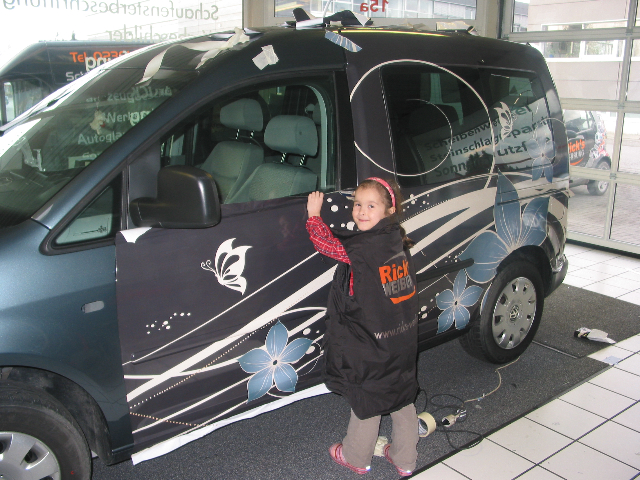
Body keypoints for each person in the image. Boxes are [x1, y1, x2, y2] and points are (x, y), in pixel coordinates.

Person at [306, 177, 420, 477]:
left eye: (371, 206)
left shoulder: (364, 247)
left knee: (368, 394)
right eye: (358, 204)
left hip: (372, 341)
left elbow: (327, 245)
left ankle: (356, 456)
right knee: (401, 392)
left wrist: (314, 216)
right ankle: (405, 458)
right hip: (400, 336)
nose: (361, 211)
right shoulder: (394, 238)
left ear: (389, 210)